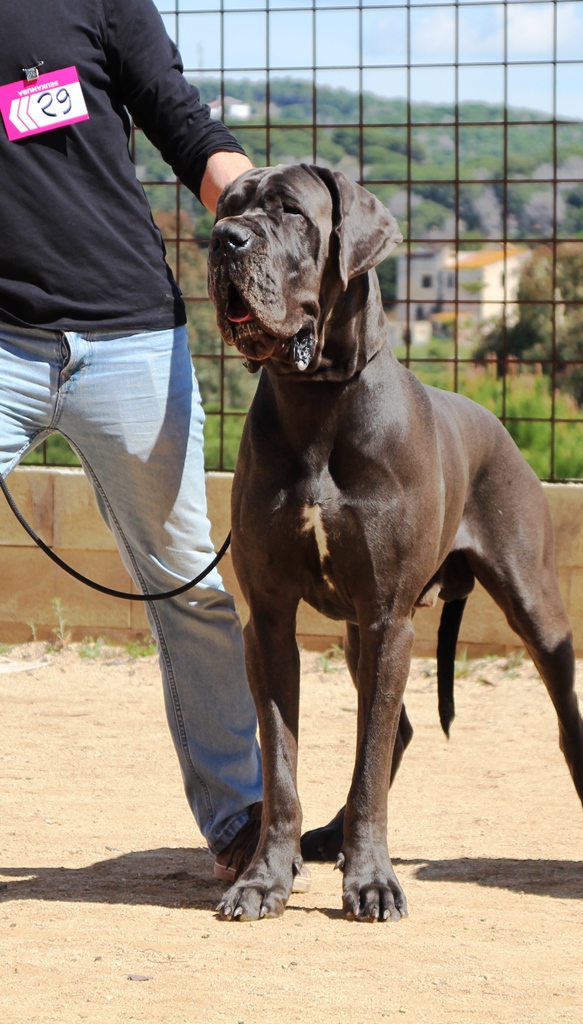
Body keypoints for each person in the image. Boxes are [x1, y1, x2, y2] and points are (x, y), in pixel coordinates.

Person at [1, 0, 264, 882]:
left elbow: (180, 120)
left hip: (130, 337)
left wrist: (274, 221)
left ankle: (241, 819)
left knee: (187, 584)